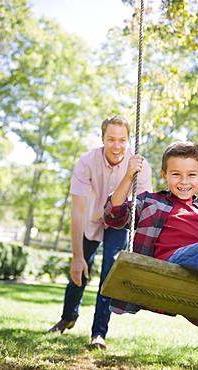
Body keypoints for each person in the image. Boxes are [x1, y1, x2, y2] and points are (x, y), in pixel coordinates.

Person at [104, 141, 198, 329]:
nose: (184, 181)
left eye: (192, 175)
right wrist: (128, 176)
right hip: (175, 261)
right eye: (176, 174)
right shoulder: (151, 201)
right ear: (164, 175)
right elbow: (113, 216)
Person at [48, 115, 152, 349]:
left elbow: (145, 210)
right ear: (102, 138)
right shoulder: (86, 162)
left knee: (108, 275)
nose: (117, 146)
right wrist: (76, 256)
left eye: (122, 140)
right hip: (92, 219)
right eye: (111, 139)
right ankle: (68, 317)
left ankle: (98, 333)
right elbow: (77, 211)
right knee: (79, 269)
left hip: (119, 222)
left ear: (129, 140)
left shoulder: (139, 166)